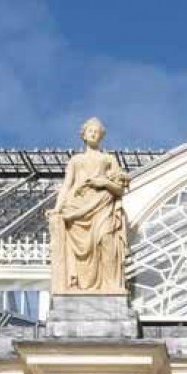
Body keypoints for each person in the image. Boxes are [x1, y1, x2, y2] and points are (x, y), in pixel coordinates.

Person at [49, 117, 129, 295]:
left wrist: (104, 183)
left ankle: (110, 285)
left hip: (102, 205)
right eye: (90, 131)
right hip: (76, 207)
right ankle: (78, 284)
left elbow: (119, 189)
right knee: (82, 251)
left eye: (96, 131)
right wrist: (57, 208)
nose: (93, 133)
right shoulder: (76, 160)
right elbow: (67, 185)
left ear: (101, 136)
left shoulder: (108, 159)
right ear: (83, 135)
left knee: (105, 240)